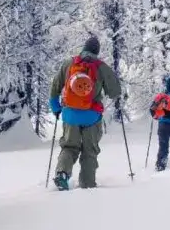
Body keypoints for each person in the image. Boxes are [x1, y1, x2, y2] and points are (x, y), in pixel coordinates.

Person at [48, 36, 121, 191]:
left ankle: (62, 174)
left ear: (83, 48)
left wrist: (55, 108)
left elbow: (55, 86)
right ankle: (87, 185)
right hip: (91, 116)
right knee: (90, 151)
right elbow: (115, 92)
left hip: (70, 115)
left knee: (69, 147)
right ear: (97, 51)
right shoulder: (101, 67)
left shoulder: (69, 63)